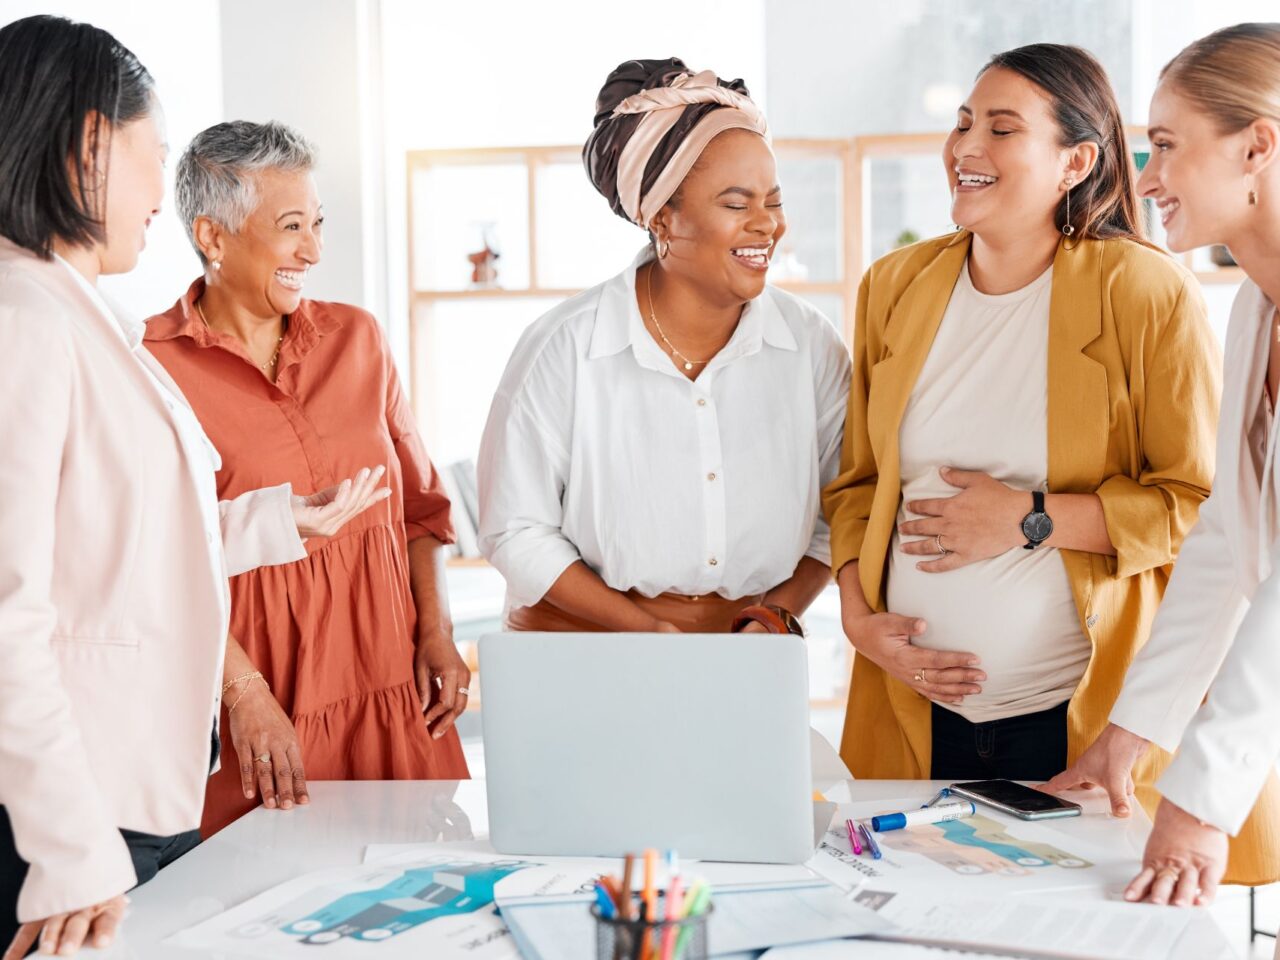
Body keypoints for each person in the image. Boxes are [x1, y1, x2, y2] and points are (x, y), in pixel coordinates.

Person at [822, 41, 1277, 884]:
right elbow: (856, 486)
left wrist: (1030, 516)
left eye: (1001, 128)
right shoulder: (895, 288)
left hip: (1075, 705)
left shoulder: (1143, 290)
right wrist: (858, 619)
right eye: (962, 123)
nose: (966, 147)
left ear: (1075, 162)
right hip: (916, 705)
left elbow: (1207, 523)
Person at [0, 17, 387, 957]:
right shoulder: (24, 322)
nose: (159, 198)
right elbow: (9, 607)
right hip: (77, 820)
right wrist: (69, 848)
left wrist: (270, 521)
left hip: (129, 796)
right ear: (92, 144)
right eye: (156, 155)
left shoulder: (74, 311)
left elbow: (111, 544)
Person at [146, 120, 470, 836]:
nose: (314, 251)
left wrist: (436, 632)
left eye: (317, 225)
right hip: (265, 708)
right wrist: (244, 694)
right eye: (293, 226)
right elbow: (159, 558)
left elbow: (421, 509)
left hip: (392, 689)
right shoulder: (151, 368)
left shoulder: (360, 339)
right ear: (213, 236)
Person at [477, 58, 850, 635]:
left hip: (748, 644)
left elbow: (842, 509)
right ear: (663, 220)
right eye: (736, 203)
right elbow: (514, 529)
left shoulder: (810, 345)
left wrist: (775, 615)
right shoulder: (564, 346)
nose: (767, 225)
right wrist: (645, 631)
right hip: (581, 643)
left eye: (773, 202)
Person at [1046, 22, 1280, 911]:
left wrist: (1200, 801)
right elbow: (1227, 545)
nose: (1144, 178)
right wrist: (1130, 737)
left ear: (1258, 145)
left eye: (1168, 147)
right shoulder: (1256, 312)